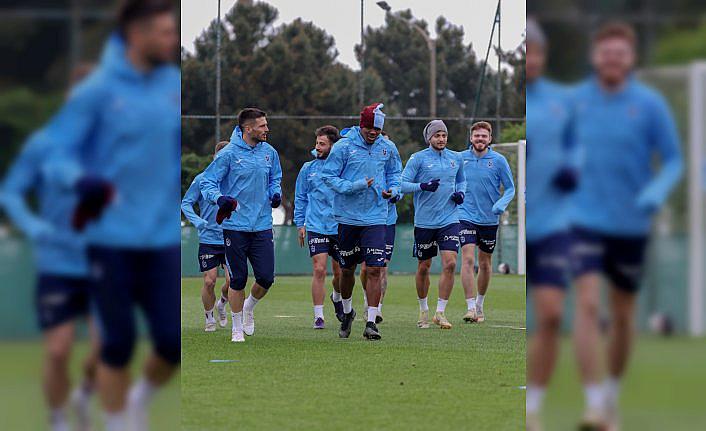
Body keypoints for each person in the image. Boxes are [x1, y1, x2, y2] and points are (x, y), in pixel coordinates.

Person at [39, 1, 181, 429]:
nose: (172, 40)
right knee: (116, 344)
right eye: (164, 32)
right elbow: (57, 155)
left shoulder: (173, 85)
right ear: (136, 35)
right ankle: (119, 423)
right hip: (110, 239)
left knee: (172, 342)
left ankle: (140, 398)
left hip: (161, 239)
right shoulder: (97, 91)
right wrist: (80, 180)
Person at [569, 22, 683, 429]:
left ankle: (611, 398)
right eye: (606, 53)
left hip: (630, 225)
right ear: (595, 57)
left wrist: (656, 192)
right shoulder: (576, 102)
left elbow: (673, 159)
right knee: (586, 306)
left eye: (620, 53)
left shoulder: (650, 104)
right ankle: (592, 404)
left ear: (630, 58)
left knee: (622, 314)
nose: (612, 60)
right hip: (583, 220)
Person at [1, 114, 100, 431]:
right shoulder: (43, 146)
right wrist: (32, 226)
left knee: (108, 348)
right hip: (58, 264)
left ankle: (84, 395)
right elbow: (10, 192)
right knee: (58, 351)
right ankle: (58, 418)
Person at [524, 18, 578, 431]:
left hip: (555, 225)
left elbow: (580, 147)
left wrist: (573, 167)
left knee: (552, 313)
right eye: (525, 52)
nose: (531, 59)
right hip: (525, 221)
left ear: (544, 56)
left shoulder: (563, 101)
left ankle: (535, 404)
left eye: (536, 52)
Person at [199, 108, 282, 343]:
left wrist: (275, 193)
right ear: (248, 128)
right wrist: (219, 199)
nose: (267, 129)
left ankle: (248, 307)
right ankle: (236, 328)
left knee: (266, 278)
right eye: (262, 125)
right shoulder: (228, 154)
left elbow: (275, 178)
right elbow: (207, 182)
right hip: (235, 227)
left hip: (262, 225)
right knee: (237, 279)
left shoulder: (270, 152)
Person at [321, 102, 402, 340]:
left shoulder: (388, 148)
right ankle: (347, 312)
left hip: (376, 217)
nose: (373, 133)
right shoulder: (344, 147)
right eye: (370, 128)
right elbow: (329, 176)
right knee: (347, 271)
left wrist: (394, 191)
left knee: (375, 268)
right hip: (348, 217)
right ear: (361, 125)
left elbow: (395, 174)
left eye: (378, 129)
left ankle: (371, 322)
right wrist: (354, 186)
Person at [400, 120, 465, 329]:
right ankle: (423, 309)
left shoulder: (456, 158)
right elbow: (402, 184)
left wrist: (461, 193)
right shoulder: (417, 158)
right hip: (425, 221)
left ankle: (440, 312)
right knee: (424, 266)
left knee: (451, 263)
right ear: (429, 138)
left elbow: (462, 180)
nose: (441, 139)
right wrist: (423, 186)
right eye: (437, 135)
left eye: (444, 135)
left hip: (450, 219)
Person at [458, 121, 515, 323]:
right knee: (467, 260)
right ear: (471, 138)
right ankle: (470, 308)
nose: (480, 139)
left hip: (489, 218)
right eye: (477, 135)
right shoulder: (460, 158)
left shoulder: (499, 160)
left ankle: (480, 305)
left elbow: (510, 188)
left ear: (490, 139)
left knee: (485, 263)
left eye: (484, 136)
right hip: (465, 215)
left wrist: (501, 204)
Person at [294, 125, 344, 329]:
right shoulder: (308, 168)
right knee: (319, 268)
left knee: (340, 273)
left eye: (322, 144)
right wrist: (300, 224)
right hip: (316, 225)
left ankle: (337, 297)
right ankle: (318, 316)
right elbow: (300, 197)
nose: (317, 147)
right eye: (317, 143)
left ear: (333, 146)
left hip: (340, 225)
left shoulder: (343, 168)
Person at [181, 141, 231, 332]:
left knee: (232, 281)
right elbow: (186, 203)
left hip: (231, 237)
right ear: (215, 158)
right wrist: (197, 220)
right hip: (209, 239)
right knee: (209, 281)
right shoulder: (202, 179)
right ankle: (209, 317)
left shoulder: (234, 180)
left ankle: (222, 304)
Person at [360, 130, 400, 324]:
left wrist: (394, 194)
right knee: (365, 268)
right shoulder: (366, 165)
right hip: (366, 220)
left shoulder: (393, 167)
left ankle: (377, 309)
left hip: (387, 221)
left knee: (382, 266)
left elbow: (400, 186)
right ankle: (367, 298)